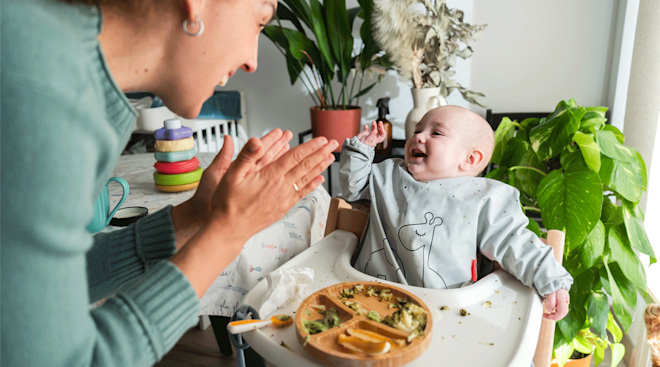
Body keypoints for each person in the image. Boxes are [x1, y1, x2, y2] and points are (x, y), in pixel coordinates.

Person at [1, 0, 337, 365]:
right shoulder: (46, 93)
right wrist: (229, 231)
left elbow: (40, 289)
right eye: (260, 20)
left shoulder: (62, 68)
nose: (252, 62)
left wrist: (196, 217)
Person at [338, 105, 572, 321]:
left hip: (442, 311)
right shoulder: (389, 174)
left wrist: (551, 281)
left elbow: (516, 243)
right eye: (418, 130)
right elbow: (352, 188)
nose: (418, 136)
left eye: (436, 133)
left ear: (470, 159)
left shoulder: (484, 197)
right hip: (368, 297)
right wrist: (361, 149)